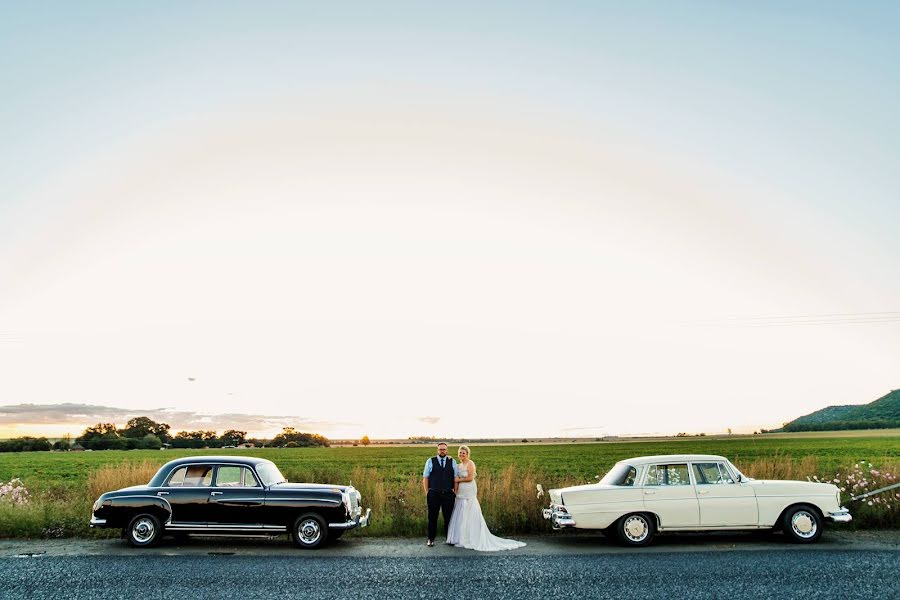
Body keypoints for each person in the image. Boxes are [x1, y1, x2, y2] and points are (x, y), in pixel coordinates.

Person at [446, 445, 526, 551]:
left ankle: (472, 537)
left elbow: (470, 478)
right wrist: (449, 459)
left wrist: (458, 480)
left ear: (467, 454)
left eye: (463, 453)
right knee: (461, 512)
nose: (461, 455)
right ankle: (461, 537)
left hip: (469, 489)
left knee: (470, 511)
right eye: (460, 453)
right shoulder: (459, 465)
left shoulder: (470, 463)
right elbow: (454, 473)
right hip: (461, 491)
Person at [422, 441, 458, 547]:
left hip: (448, 494)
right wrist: (427, 492)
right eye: (440, 449)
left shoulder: (452, 461)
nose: (442, 451)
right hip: (433, 494)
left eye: (444, 449)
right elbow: (425, 477)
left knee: (449, 517)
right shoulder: (430, 461)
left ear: (447, 450)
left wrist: (455, 492)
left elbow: (455, 478)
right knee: (432, 517)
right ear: (437, 450)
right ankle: (431, 539)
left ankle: (449, 538)